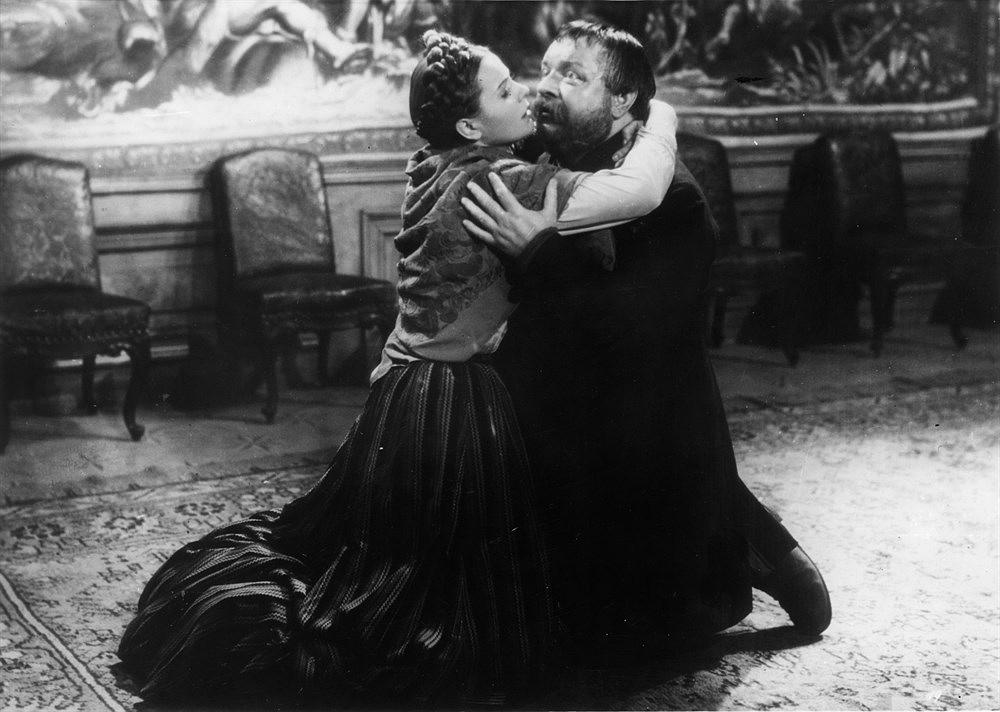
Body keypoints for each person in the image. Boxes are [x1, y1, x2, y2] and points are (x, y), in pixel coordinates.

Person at [116, 28, 679, 708]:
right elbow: (641, 190)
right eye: (507, 90)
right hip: (450, 397)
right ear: (471, 125)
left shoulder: (433, 164)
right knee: (426, 586)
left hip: (406, 386)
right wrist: (662, 116)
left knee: (394, 555)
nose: (528, 94)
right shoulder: (504, 182)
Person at [462, 19, 832, 660]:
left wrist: (538, 253)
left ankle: (756, 546)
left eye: (572, 75)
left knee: (633, 635)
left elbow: (625, 332)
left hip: (645, 413)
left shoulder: (675, 201)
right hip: (558, 394)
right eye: (545, 69)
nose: (546, 86)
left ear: (623, 100)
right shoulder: (544, 152)